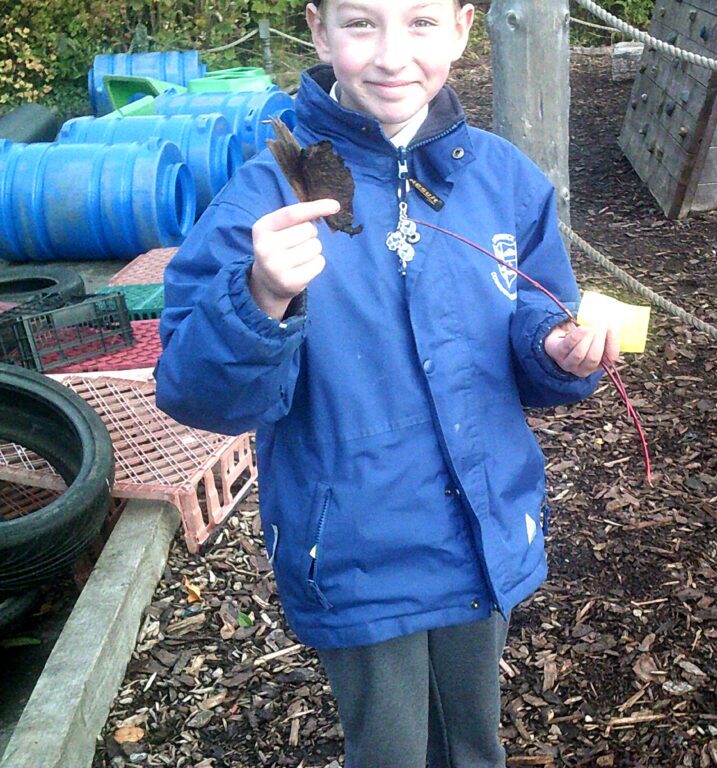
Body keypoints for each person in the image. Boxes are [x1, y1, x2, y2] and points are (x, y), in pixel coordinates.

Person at [155, 0, 620, 765]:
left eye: (421, 22)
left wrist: (557, 347)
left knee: (473, 740)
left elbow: (535, 312)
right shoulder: (265, 198)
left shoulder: (501, 177)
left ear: (463, 28)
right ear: (319, 29)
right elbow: (194, 390)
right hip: (356, 550)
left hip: (482, 529)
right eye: (362, 23)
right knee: (392, 750)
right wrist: (259, 297)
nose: (393, 55)